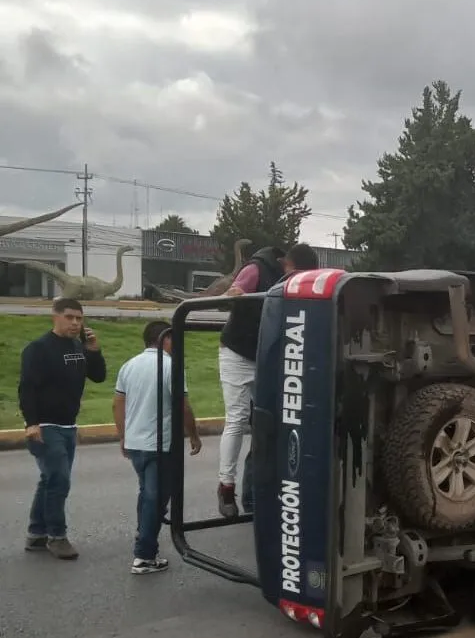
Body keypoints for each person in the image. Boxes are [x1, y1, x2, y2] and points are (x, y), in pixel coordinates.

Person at [18, 297, 106, 559]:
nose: (75, 323)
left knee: (50, 480)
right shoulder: (38, 349)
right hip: (45, 425)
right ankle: (57, 536)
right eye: (69, 317)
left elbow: (98, 376)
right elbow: (27, 388)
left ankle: (36, 534)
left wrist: (93, 350)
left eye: (79, 318)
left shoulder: (79, 346)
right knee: (59, 480)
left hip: (68, 425)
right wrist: (32, 423)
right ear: (54, 316)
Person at [237, 245, 321, 515]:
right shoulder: (312, 292)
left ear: (287, 264)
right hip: (299, 381)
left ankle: (253, 499)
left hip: (276, 379)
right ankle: (279, 497)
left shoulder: (282, 290)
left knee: (264, 438)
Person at [113, 321, 203, 574]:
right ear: (164, 339)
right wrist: (193, 435)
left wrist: (123, 436)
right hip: (159, 445)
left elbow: (117, 403)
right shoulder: (170, 366)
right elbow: (183, 406)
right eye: (174, 339)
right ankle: (143, 555)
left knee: (147, 494)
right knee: (156, 499)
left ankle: (144, 541)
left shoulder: (128, 365)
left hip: (136, 444)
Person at [216, 244, 286, 517]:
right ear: (281, 260)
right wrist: (234, 293)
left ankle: (256, 494)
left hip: (263, 354)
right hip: (237, 352)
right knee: (237, 419)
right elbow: (232, 294)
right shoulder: (255, 269)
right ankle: (225, 486)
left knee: (267, 422)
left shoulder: (286, 276)